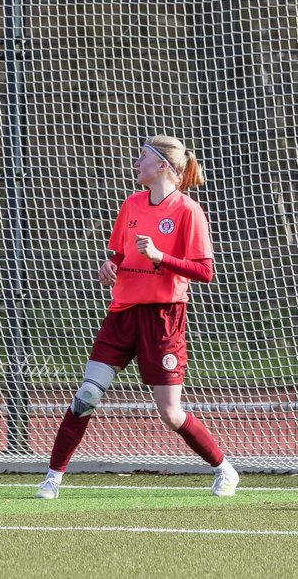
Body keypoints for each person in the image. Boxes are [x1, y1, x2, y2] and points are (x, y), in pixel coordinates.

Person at [34, 135, 238, 500]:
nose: (135, 163)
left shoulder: (188, 211)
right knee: (85, 397)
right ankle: (52, 479)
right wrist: (110, 265)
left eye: (142, 157)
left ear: (162, 165)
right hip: (122, 315)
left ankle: (224, 469)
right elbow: (119, 254)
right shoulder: (130, 204)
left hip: (163, 320)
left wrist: (162, 256)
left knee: (171, 413)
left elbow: (205, 271)